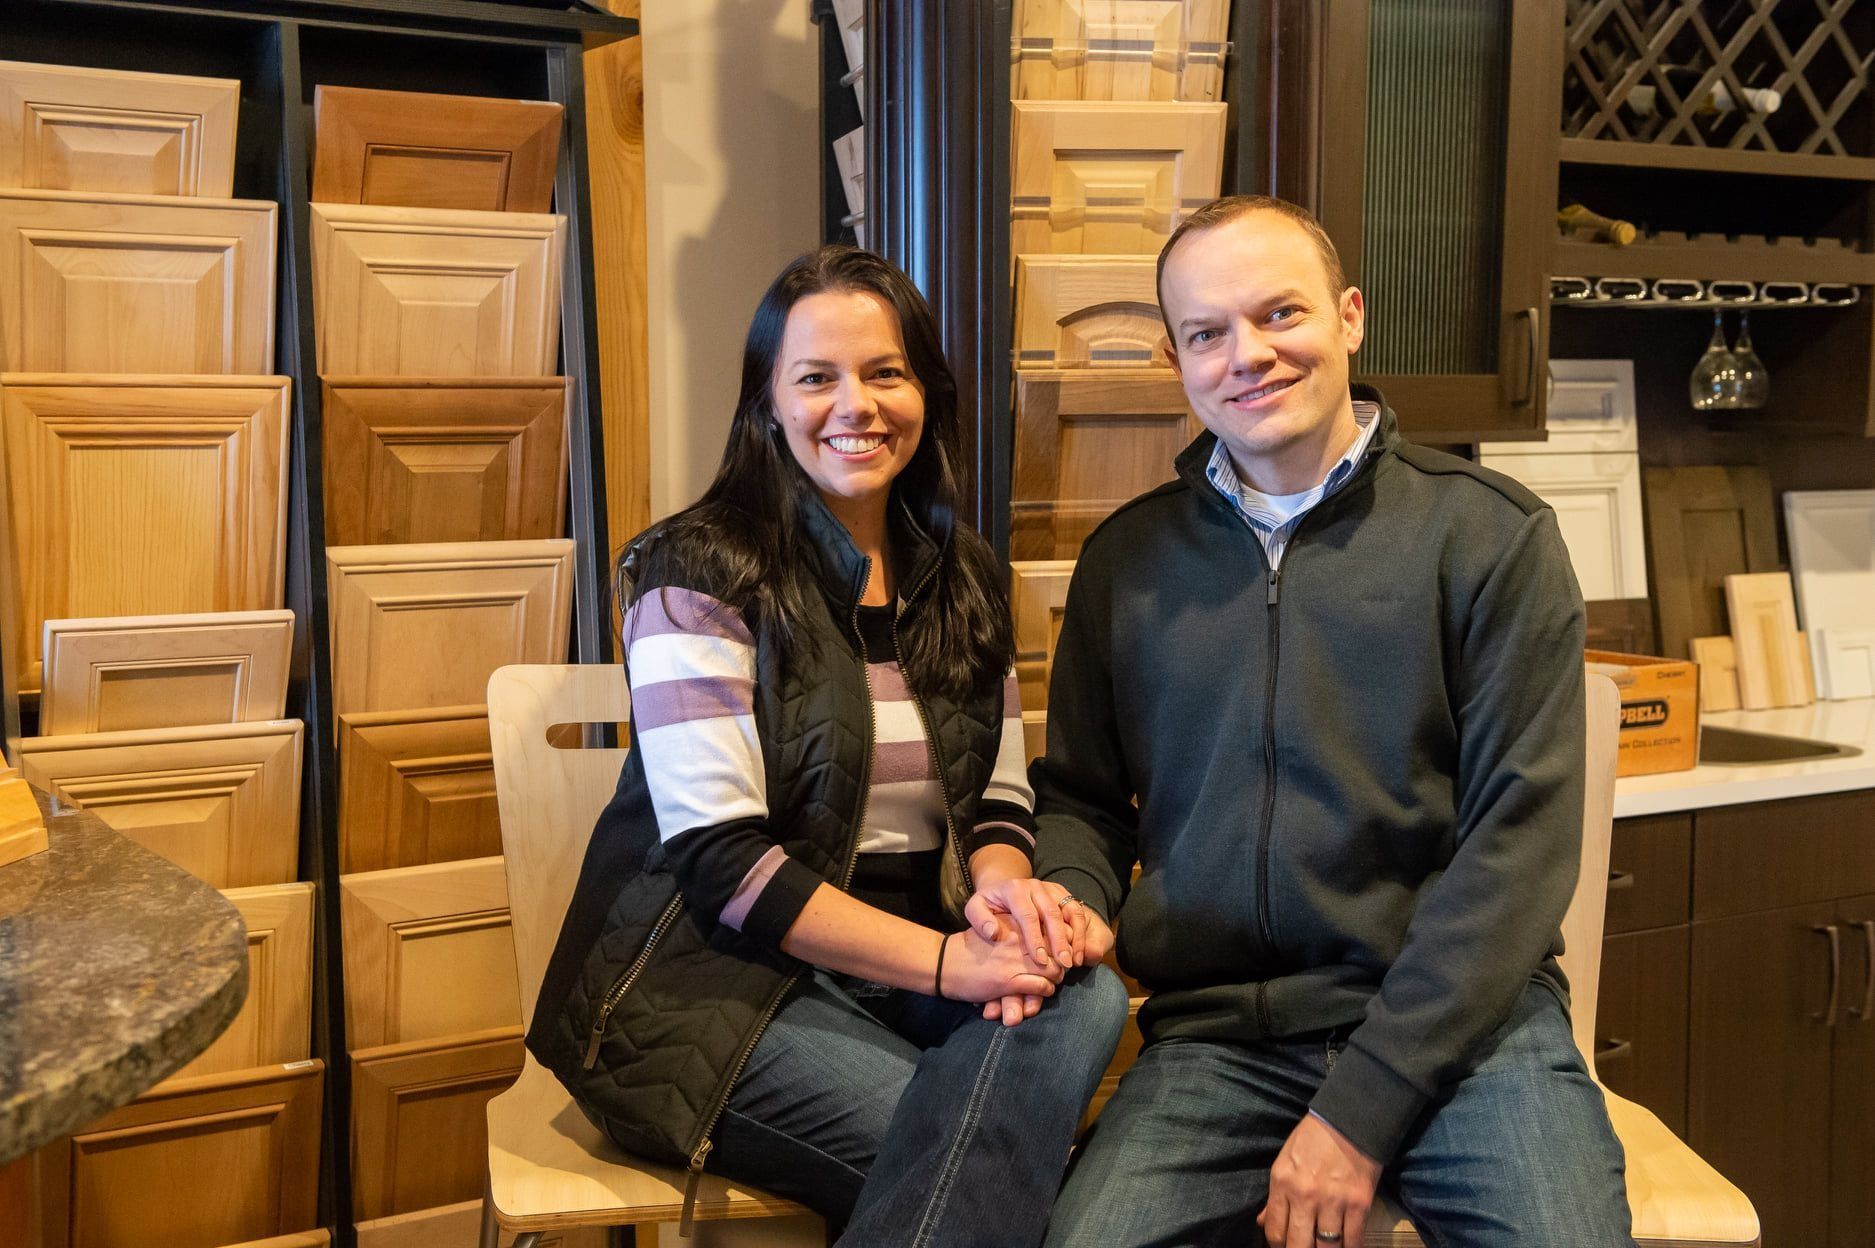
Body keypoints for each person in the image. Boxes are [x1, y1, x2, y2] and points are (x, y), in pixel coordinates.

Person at [1034, 196, 1633, 1248]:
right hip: (1218, 1042)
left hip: (1465, 1036)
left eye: (1280, 315)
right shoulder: (1125, 565)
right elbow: (1085, 800)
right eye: (1208, 334)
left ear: (1349, 318)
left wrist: (1354, 1116)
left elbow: (1518, 851)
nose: (1248, 356)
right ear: (1178, 359)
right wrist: (1076, 900)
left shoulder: (1489, 537)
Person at [528, 244, 1127, 1246]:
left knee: (1086, 989)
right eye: (816, 377)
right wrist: (949, 967)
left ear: (926, 393)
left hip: (907, 964)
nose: (856, 405)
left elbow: (999, 798)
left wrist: (1008, 902)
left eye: (885, 373)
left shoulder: (964, 572)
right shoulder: (697, 571)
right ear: (768, 402)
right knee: (1007, 1184)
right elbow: (722, 866)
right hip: (708, 987)